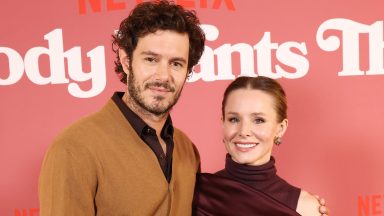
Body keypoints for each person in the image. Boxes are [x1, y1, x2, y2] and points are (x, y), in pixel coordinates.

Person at [38, 0, 205, 215]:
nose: (163, 76)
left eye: (176, 63)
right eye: (151, 59)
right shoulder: (73, 148)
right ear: (126, 61)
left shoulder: (187, 149)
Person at [193, 76, 329, 216]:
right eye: (234, 119)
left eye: (258, 120)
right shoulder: (194, 194)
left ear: (280, 128)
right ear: (223, 124)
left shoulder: (306, 208)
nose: (243, 131)